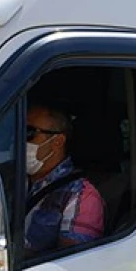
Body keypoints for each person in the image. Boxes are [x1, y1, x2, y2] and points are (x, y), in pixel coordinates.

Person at [24, 103, 105, 256]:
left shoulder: (81, 195)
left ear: (57, 142)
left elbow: (72, 262)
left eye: (29, 132)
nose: (21, 140)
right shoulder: (7, 180)